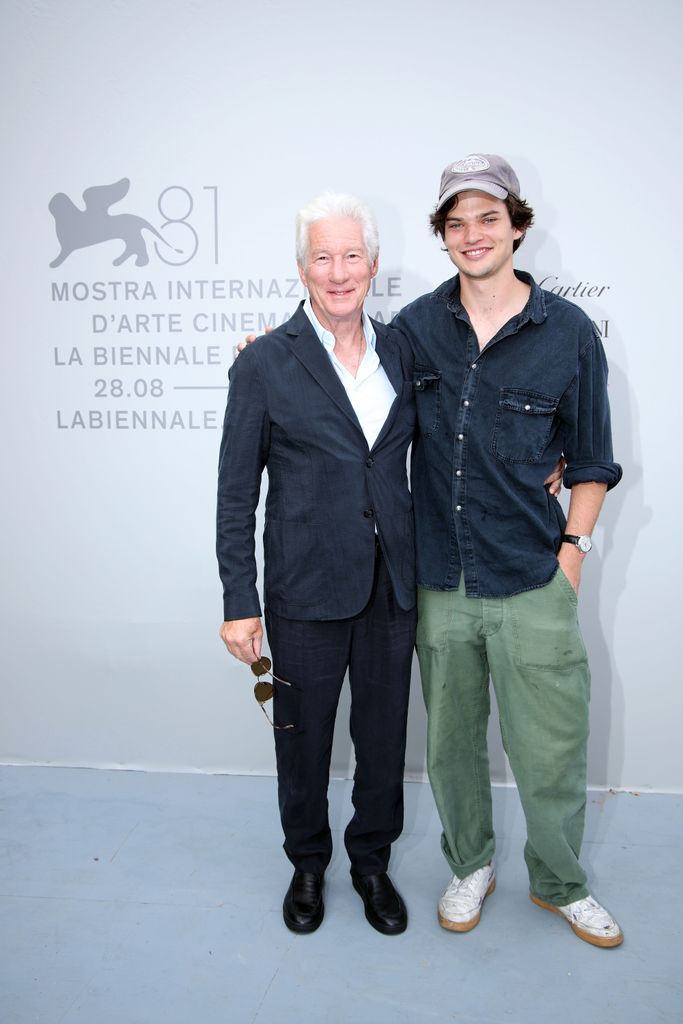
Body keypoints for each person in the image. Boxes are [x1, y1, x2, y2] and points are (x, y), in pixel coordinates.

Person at [392, 153, 623, 947]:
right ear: (442, 237)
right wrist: (268, 354)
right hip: (440, 579)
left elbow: (591, 460)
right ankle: (471, 865)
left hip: (532, 578)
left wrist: (571, 558)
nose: (471, 234)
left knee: (552, 750)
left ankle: (560, 883)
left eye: (487, 218)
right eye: (455, 223)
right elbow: (350, 389)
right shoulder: (417, 328)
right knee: (451, 746)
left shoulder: (568, 335)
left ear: (516, 226)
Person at [216, 193, 417, 935]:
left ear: (373, 264)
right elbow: (235, 494)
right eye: (323, 257)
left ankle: (371, 862)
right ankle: (307, 861)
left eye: (352, 256)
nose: (339, 272)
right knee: (299, 736)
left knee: (385, 738)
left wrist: (548, 460)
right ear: (302, 268)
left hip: (392, 586)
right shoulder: (265, 363)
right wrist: (240, 600)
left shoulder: (403, 350)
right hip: (302, 592)